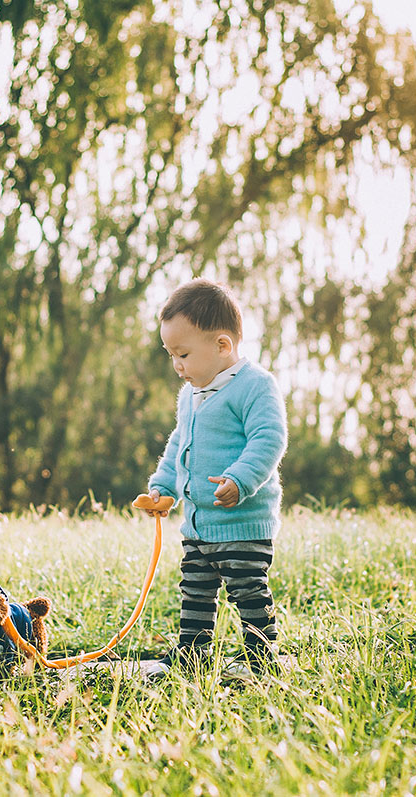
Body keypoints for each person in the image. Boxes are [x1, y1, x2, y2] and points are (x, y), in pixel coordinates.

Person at [142, 279, 288, 675]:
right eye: (171, 354)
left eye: (184, 353)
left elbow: (268, 438)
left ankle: (261, 657)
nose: (177, 365)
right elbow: (179, 445)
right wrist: (164, 486)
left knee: (247, 590)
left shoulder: (255, 386)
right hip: (198, 525)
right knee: (195, 591)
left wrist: (240, 480)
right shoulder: (190, 395)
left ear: (222, 346)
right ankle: (192, 652)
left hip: (241, 523)